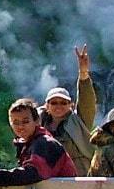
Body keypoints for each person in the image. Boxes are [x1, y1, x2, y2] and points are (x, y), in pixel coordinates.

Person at [39, 45, 99, 173]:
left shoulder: (79, 121)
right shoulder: (38, 123)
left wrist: (83, 73)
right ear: (47, 106)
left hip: (78, 175)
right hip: (48, 175)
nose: (58, 106)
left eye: (63, 102)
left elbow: (87, 101)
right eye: (54, 103)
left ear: (70, 105)